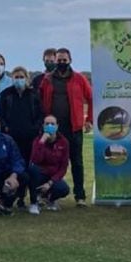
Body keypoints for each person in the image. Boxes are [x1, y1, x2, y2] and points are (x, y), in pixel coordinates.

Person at [37, 47, 93, 206]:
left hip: (73, 128)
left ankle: (80, 197)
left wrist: (89, 119)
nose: (61, 63)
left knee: (77, 162)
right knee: (48, 163)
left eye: (64, 60)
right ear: (55, 61)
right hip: (52, 129)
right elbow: (39, 100)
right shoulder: (47, 79)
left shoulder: (79, 78)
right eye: (59, 60)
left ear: (70, 60)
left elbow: (91, 98)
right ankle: (46, 194)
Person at [0, 66, 43, 205]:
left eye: (21, 77)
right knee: (15, 168)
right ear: (12, 78)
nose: (19, 80)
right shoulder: (6, 94)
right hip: (12, 139)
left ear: (27, 78)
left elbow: (40, 115)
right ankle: (17, 196)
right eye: (16, 77)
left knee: (30, 168)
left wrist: (35, 129)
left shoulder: (34, 94)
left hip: (30, 138)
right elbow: (1, 115)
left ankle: (32, 197)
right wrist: (5, 128)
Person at [29, 115, 72, 211]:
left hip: (53, 176)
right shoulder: (37, 140)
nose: (50, 126)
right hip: (40, 174)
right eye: (47, 124)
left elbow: (63, 167)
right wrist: (42, 142)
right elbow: (35, 160)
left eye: (52, 124)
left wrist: (50, 182)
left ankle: (50, 199)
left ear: (57, 126)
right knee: (32, 169)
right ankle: (34, 202)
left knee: (64, 189)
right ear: (43, 126)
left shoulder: (64, 142)